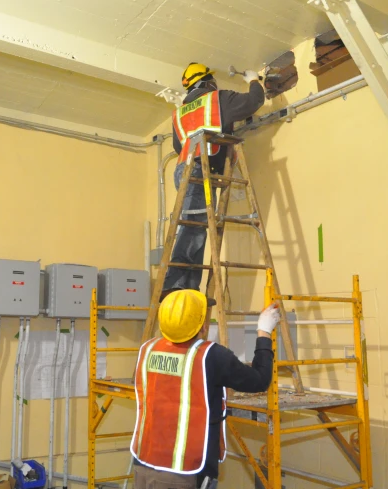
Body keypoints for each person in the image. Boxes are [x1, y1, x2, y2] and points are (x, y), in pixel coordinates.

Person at [131, 289, 280, 489]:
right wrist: (264, 332)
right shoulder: (211, 355)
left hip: (144, 464)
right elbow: (260, 380)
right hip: (184, 471)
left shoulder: (148, 349)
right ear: (201, 324)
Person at [162, 63, 266, 299]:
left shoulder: (179, 114)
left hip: (183, 169)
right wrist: (253, 80)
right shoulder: (216, 99)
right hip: (200, 169)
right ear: (207, 82)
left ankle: (188, 290)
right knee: (192, 227)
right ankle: (175, 284)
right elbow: (252, 102)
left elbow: (179, 146)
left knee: (196, 227)